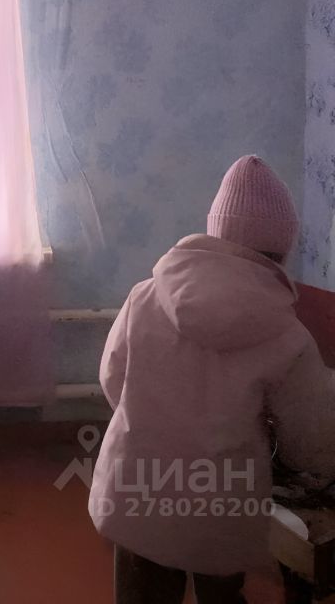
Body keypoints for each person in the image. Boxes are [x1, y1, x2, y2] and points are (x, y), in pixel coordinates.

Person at [89, 155, 335, 603]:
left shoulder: (145, 296)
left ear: (216, 235)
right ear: (281, 250)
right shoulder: (287, 334)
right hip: (220, 509)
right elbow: (310, 442)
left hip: (136, 490)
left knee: (142, 590)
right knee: (220, 590)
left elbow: (112, 378)